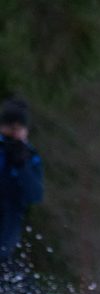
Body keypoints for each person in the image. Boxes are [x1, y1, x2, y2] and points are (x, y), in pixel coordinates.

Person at [0, 97, 43, 262]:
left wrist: (22, 166)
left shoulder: (30, 156)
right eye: (11, 128)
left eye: (18, 128)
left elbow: (35, 195)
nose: (14, 133)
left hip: (11, 219)